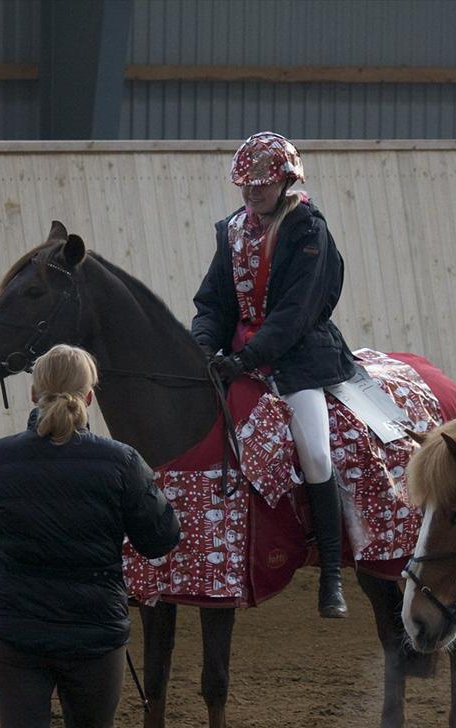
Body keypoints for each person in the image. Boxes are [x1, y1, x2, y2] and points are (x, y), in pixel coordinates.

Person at [0, 344, 180, 728]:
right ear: (89, 397)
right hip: (94, 631)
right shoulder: (121, 461)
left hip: (14, 629)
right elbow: (161, 539)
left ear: (32, 394)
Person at [191, 131, 357, 618]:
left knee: (315, 453)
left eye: (260, 186)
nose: (251, 194)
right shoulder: (231, 230)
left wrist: (247, 357)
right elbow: (213, 301)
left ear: (285, 181)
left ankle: (330, 572)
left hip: (297, 359)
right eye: (245, 187)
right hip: (240, 356)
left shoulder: (307, 229)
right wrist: (202, 346)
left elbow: (296, 311)